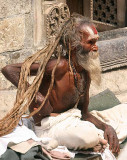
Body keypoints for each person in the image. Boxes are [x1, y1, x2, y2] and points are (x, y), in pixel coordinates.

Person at [1, 14, 119, 154]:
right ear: (73, 45)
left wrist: (106, 127)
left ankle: (96, 138)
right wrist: (37, 96)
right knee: (89, 136)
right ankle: (93, 140)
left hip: (71, 120)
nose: (95, 48)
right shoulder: (59, 65)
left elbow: (84, 113)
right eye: (90, 42)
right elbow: (9, 70)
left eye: (96, 42)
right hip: (47, 127)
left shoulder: (84, 73)